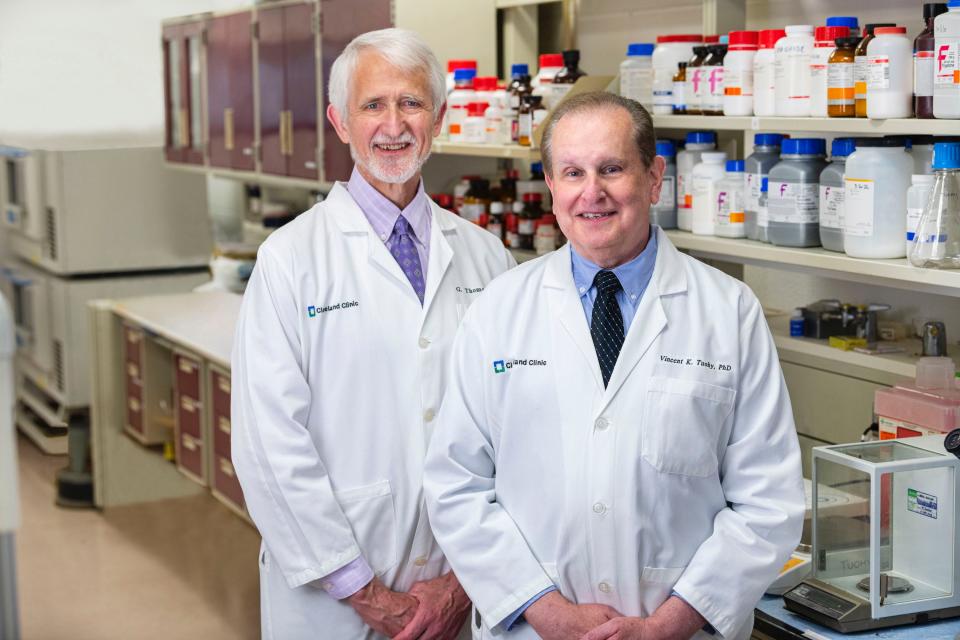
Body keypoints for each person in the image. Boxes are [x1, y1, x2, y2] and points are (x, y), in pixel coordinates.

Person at [423, 91, 804, 640]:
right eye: (573, 172)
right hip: (535, 629)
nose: (591, 192)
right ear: (551, 187)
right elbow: (456, 485)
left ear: (653, 179)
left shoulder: (728, 310)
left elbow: (768, 501)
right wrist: (547, 611)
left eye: (611, 169)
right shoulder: (499, 309)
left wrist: (671, 623)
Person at [231, 28, 514, 640]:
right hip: (331, 594)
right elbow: (268, 446)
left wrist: (459, 584)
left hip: (460, 586)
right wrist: (362, 590)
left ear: (438, 117)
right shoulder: (290, 260)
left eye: (411, 103)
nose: (394, 124)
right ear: (339, 121)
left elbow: (517, 433)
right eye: (372, 105)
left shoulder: (488, 259)